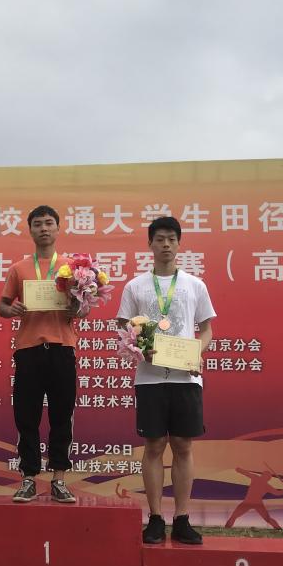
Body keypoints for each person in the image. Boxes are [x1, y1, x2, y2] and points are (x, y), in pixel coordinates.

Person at [117, 216, 216, 545]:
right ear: (150, 244)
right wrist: (138, 348)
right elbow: (123, 326)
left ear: (179, 243)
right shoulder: (135, 286)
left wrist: (196, 354)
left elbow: (207, 329)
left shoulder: (194, 285)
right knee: (154, 445)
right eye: (159, 239)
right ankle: (156, 518)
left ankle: (183, 518)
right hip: (150, 379)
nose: (165, 244)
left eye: (171, 239)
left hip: (186, 378)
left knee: (183, 445)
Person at [0, 205, 79, 503]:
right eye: (38, 224)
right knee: (26, 416)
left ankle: (59, 478)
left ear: (58, 228)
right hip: (29, 350)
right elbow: (2, 306)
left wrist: (76, 307)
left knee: (62, 415)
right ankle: (28, 478)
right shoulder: (18, 268)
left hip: (62, 349)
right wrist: (13, 309)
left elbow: (83, 308)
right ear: (30, 230)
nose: (43, 228)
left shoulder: (73, 268)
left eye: (48, 223)